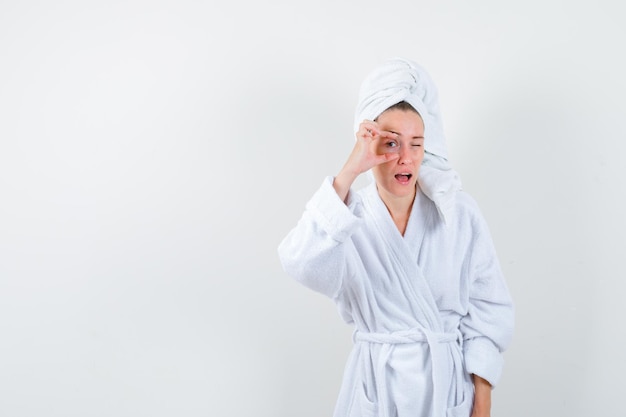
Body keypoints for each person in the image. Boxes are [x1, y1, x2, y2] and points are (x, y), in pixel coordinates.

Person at [277, 58, 514, 417]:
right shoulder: (346, 219)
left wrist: (482, 400)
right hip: (377, 390)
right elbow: (299, 262)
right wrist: (349, 171)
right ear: (369, 146)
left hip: (446, 391)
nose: (406, 158)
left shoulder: (459, 213)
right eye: (391, 144)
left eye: (416, 144)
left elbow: (488, 308)